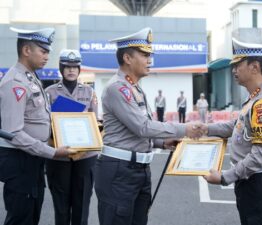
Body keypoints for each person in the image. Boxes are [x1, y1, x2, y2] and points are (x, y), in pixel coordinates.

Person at [94, 27, 203, 225]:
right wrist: (184, 128)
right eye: (144, 55)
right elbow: (142, 127)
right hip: (119, 171)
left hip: (138, 169)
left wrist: (162, 142)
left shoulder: (135, 89)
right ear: (127, 58)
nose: (149, 60)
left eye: (149, 54)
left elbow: (139, 132)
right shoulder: (117, 88)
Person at [203, 38, 262, 225]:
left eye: (238, 65)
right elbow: (235, 126)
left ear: (255, 67)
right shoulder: (254, 99)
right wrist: (205, 129)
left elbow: (260, 155)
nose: (234, 70)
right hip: (251, 180)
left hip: (260, 182)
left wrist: (224, 177)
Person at [0, 27, 75, 225]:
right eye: (43, 51)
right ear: (26, 50)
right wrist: (52, 152)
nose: (47, 56)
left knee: (32, 216)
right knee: (21, 218)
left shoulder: (31, 78)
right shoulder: (15, 82)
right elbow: (13, 132)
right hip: (20, 161)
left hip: (32, 159)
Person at [45, 49, 98, 225]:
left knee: (82, 206)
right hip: (59, 156)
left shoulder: (89, 92)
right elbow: (45, 123)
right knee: (61, 206)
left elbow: (95, 123)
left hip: (85, 156)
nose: (71, 70)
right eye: (67, 66)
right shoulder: (49, 93)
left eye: (75, 67)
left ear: (79, 69)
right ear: (61, 68)